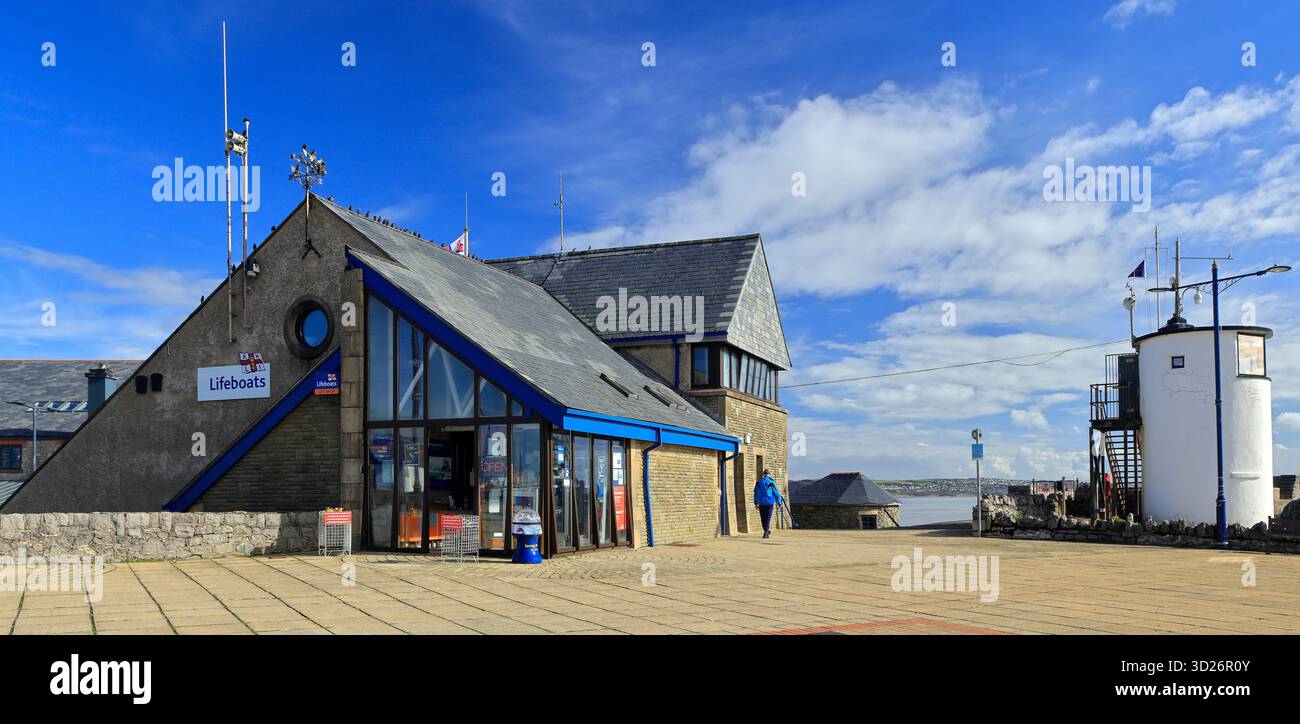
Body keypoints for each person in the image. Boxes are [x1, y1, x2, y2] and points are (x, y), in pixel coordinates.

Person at [753, 468, 783, 539]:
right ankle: (766, 532)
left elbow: (756, 493)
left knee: (763, 517)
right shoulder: (771, 482)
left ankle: (766, 530)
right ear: (769, 474)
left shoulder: (759, 482)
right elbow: (776, 493)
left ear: (763, 474)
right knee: (768, 517)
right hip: (770, 502)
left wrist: (756, 503)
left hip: (761, 502)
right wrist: (779, 502)